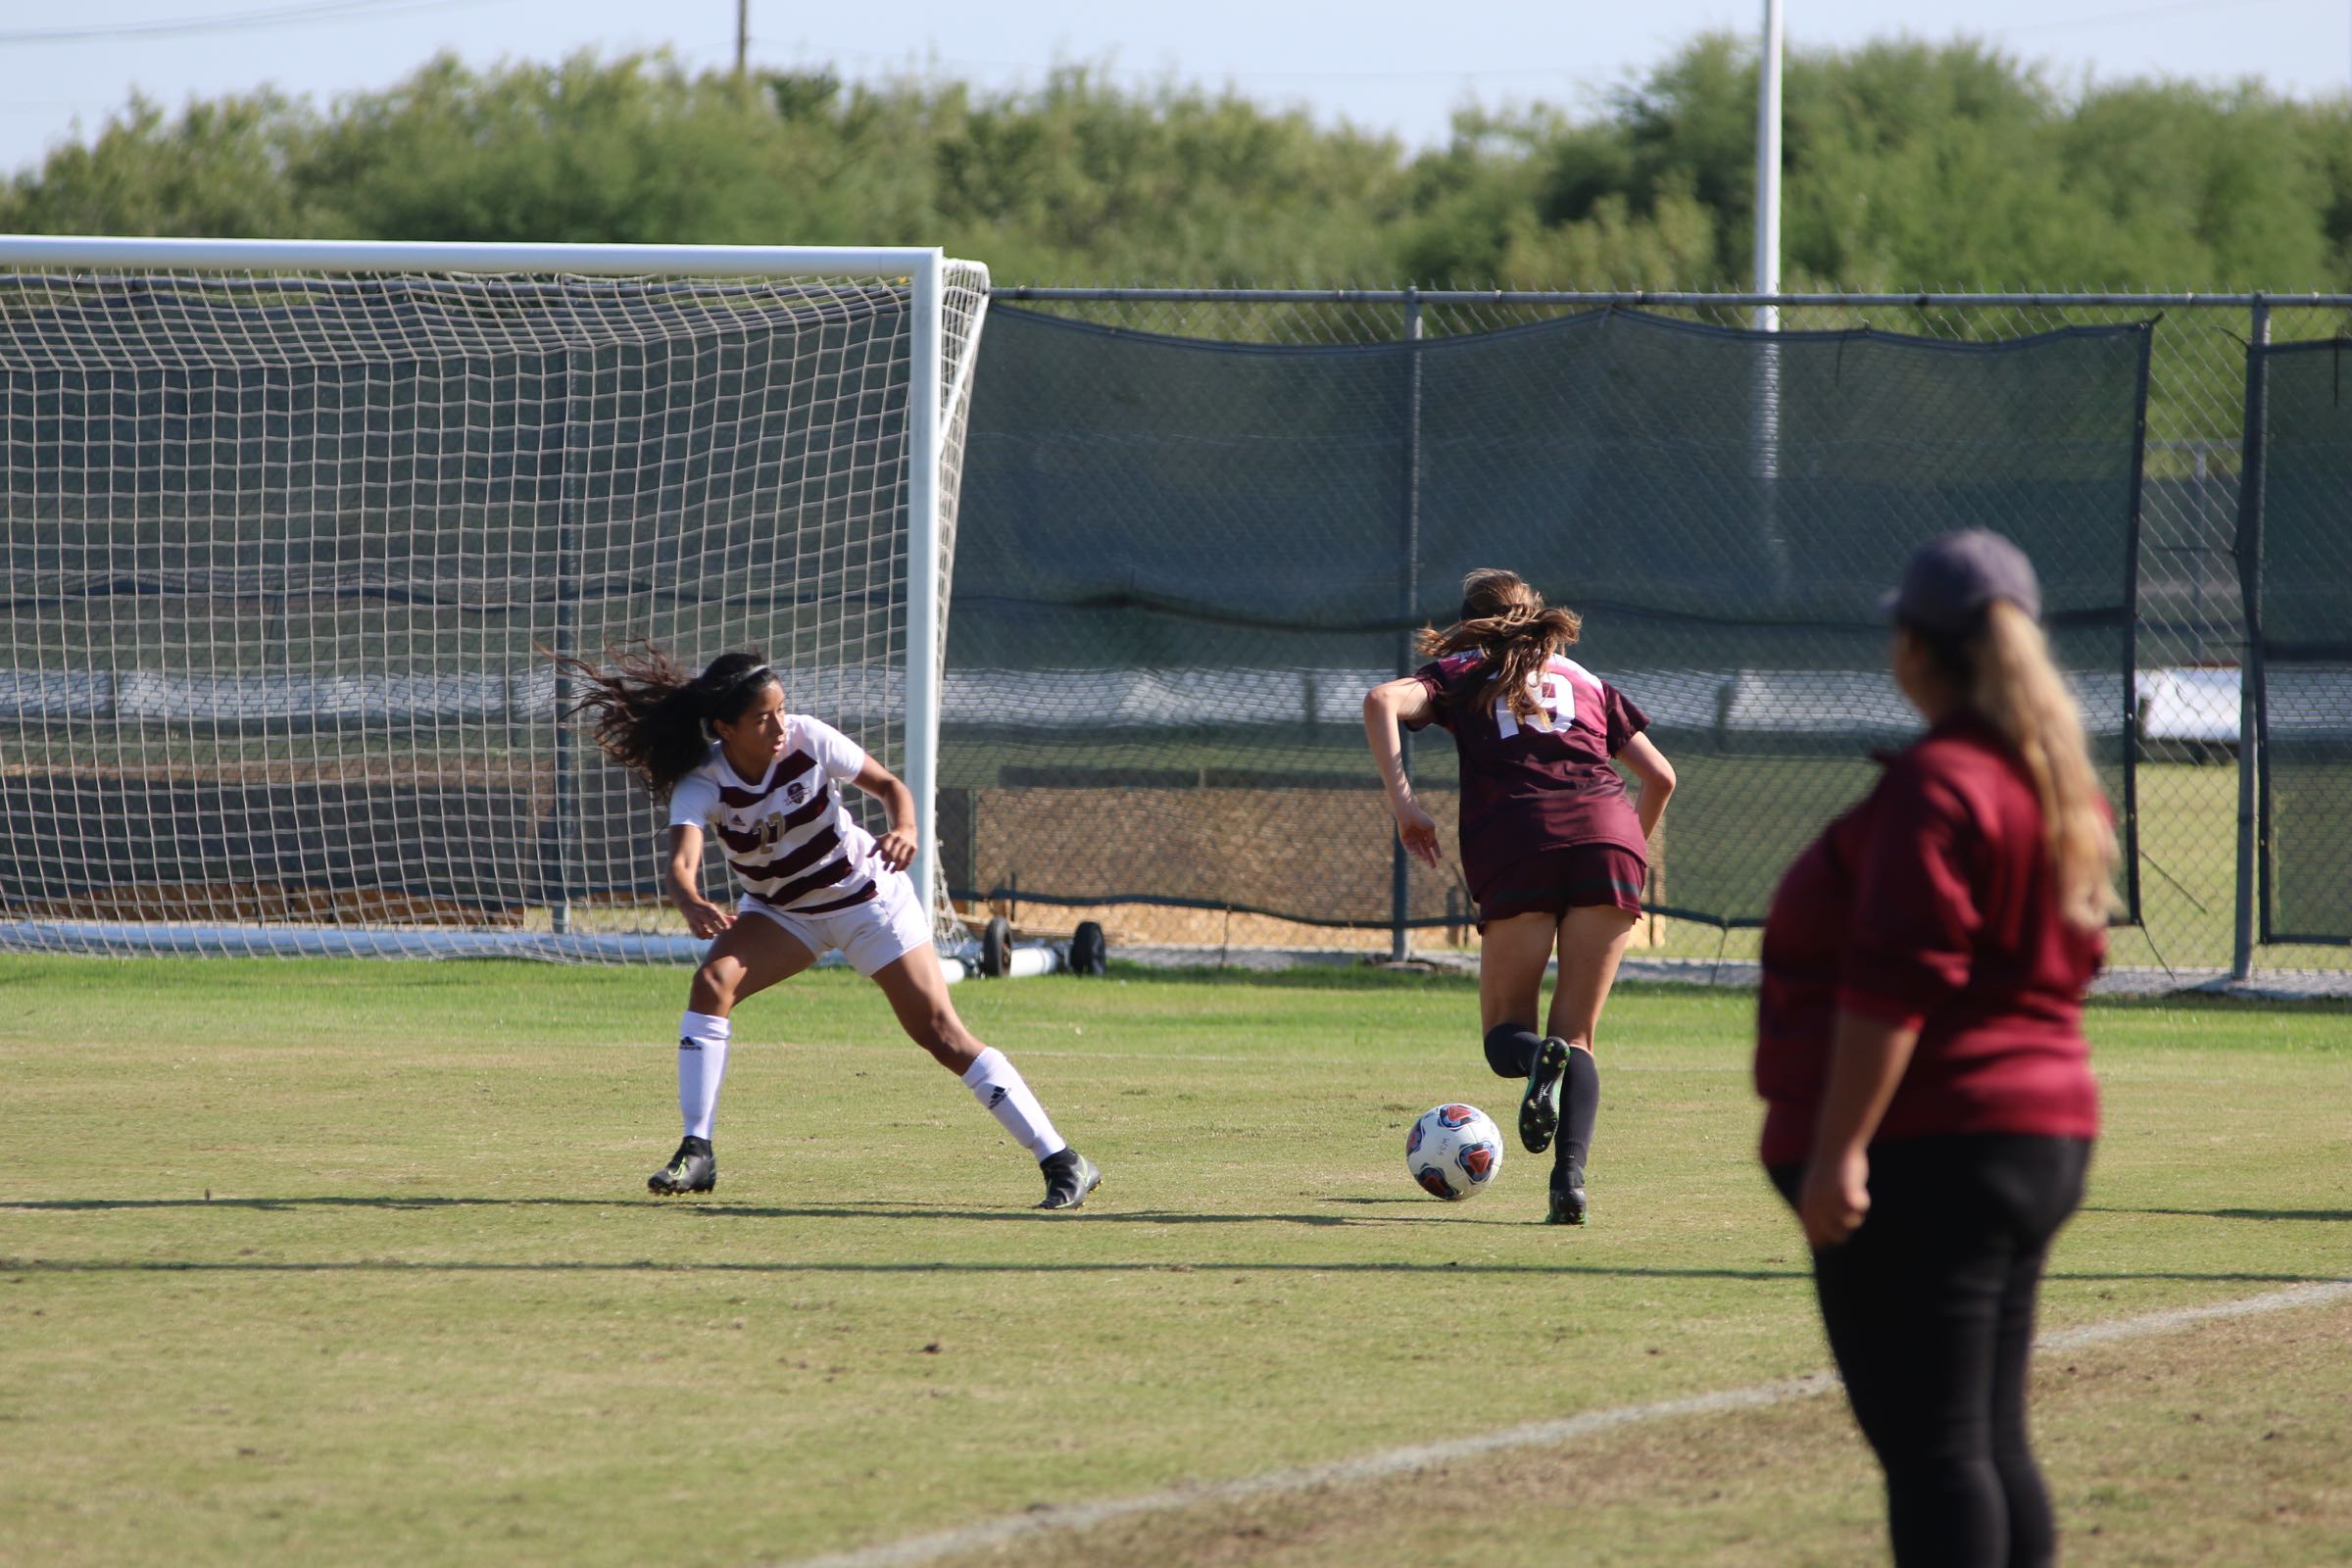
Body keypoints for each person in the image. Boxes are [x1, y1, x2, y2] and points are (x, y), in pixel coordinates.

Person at [1754, 530, 2115, 1567]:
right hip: (2039, 1132)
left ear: (1916, 644)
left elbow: (1896, 981)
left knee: (1936, 1450)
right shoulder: (2055, 780)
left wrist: (1839, 1147)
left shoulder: (1944, 780)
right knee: (1984, 1438)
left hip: (1935, 1141)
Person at [559, 645, 1102, 1210]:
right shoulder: (704, 782)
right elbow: (681, 863)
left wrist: (907, 828)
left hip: (869, 903)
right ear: (724, 727)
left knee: (941, 1034)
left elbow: (892, 788)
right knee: (712, 984)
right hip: (784, 915)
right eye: (761, 717)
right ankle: (697, 1150)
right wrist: (692, 900)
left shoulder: (808, 739)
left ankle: (1062, 1160)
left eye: (780, 709)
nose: (777, 725)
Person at [1362, 568, 1676, 1225]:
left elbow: (1381, 700)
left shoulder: (1464, 670)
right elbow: (1662, 777)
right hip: (1608, 836)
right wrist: (1624, 850)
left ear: (1473, 621)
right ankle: (1569, 1186)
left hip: (1518, 839)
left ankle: (1539, 1061)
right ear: (1535, 615)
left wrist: (1405, 806)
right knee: (1580, 1035)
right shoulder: (1585, 679)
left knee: (1508, 1035)